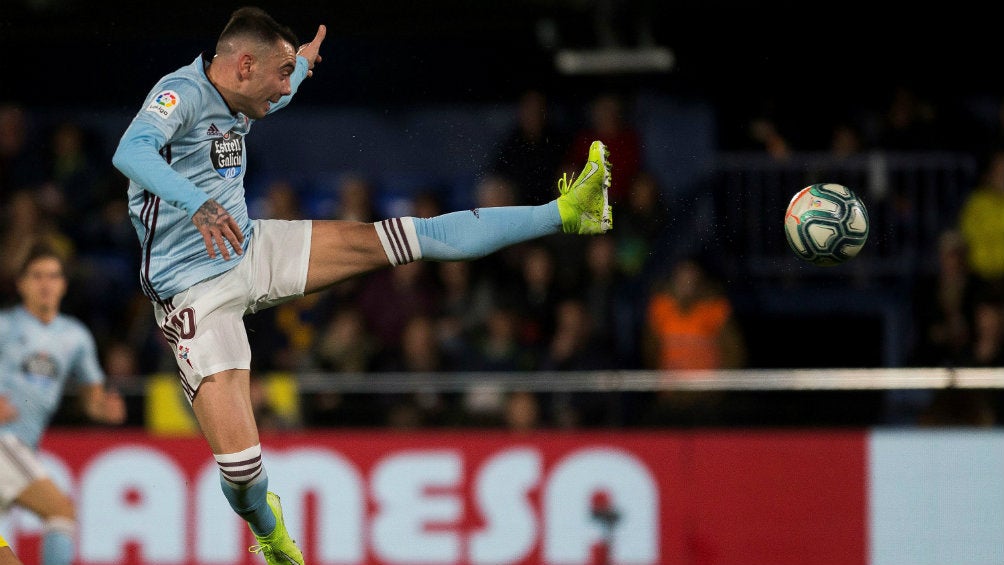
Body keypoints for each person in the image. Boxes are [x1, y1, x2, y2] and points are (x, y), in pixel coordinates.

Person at [110, 7, 613, 565]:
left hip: (249, 248)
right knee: (244, 475)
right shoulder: (178, 94)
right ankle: (268, 528)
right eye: (277, 76)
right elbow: (128, 152)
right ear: (244, 65)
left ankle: (568, 212)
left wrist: (299, 65)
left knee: (402, 237)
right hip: (193, 296)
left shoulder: (245, 89)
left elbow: (281, 84)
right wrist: (196, 203)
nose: (283, 92)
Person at [0, 246, 126, 565]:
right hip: (4, 441)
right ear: (21, 284)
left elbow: (91, 399)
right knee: (60, 510)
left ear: (63, 285)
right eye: (37, 276)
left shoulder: (75, 337)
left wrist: (104, 408)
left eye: (53, 276)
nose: (46, 284)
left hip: (23, 447)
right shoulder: (5, 325)